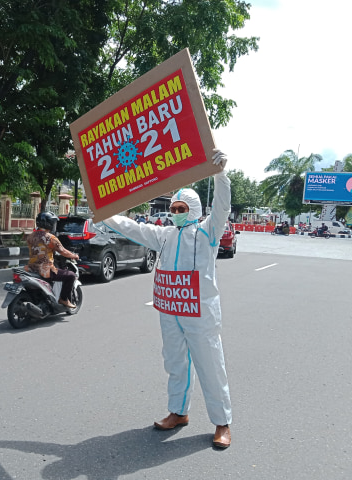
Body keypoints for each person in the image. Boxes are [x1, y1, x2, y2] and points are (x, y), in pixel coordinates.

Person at [102, 150, 233, 449]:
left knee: (210, 364)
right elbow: (132, 227)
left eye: (181, 207)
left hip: (200, 311)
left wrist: (220, 174)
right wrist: (105, 215)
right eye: (173, 207)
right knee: (175, 362)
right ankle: (178, 412)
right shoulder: (165, 236)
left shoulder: (208, 232)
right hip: (170, 310)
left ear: (195, 208)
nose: (175, 211)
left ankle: (222, 422)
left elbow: (222, 207)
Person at [24, 211, 80, 309]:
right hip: (45, 270)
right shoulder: (50, 238)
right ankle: (64, 299)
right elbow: (63, 251)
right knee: (71, 275)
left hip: (31, 268)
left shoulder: (30, 236)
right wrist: (74, 256)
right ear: (48, 224)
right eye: (53, 223)